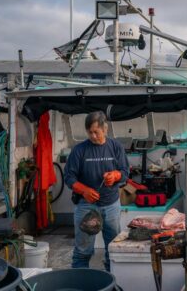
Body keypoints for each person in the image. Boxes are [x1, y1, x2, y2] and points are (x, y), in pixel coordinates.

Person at [64, 111, 129, 272]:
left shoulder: (116, 147)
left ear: (105, 129)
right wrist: (84, 190)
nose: (93, 136)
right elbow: (69, 177)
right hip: (86, 206)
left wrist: (115, 176)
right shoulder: (79, 150)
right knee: (82, 251)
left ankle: (112, 280)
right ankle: (81, 282)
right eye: (90, 132)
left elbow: (125, 172)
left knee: (113, 248)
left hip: (111, 205)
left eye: (96, 132)